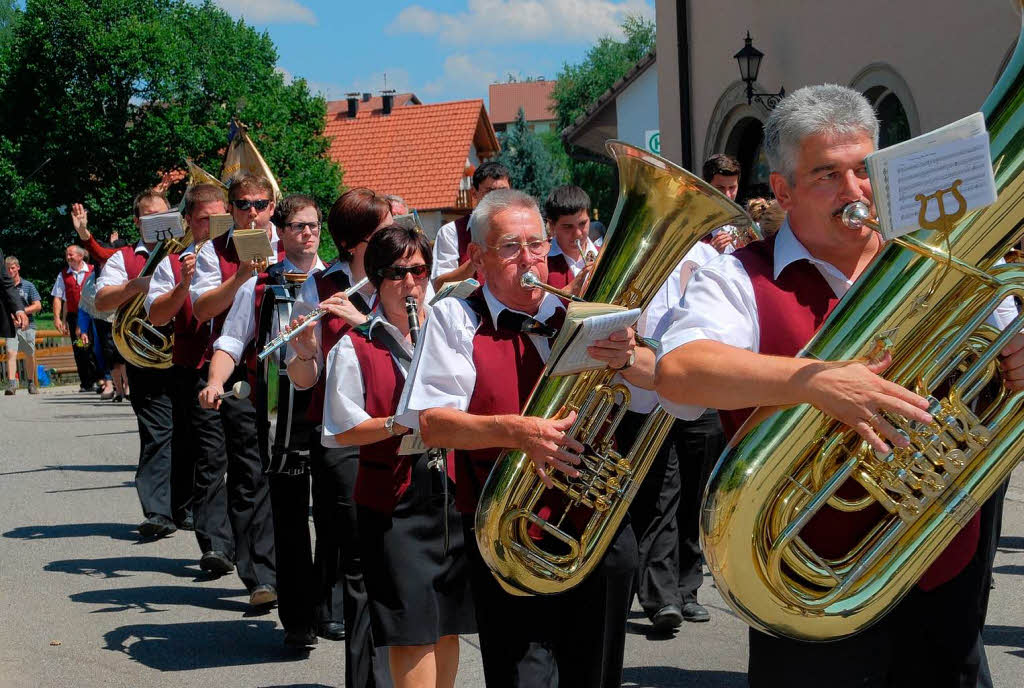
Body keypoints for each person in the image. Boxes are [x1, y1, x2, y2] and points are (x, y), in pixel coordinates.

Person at [654, 83, 1024, 686]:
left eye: (863, 171)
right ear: (781, 190)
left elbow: (1007, 347)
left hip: (941, 572)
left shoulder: (940, 257)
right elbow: (681, 369)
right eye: (826, 175)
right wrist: (816, 381)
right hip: (810, 590)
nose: (854, 193)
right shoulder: (738, 277)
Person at [399, 189, 651, 688]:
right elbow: (431, 423)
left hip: (596, 531)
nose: (530, 260)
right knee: (525, 678)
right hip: (510, 536)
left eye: (537, 245)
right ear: (478, 258)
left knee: (596, 675)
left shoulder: (578, 314)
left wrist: (628, 357)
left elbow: (652, 397)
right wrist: (519, 431)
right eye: (511, 248)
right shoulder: (456, 317)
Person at [321, 226, 473, 688]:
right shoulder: (355, 346)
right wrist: (398, 423)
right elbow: (341, 430)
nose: (410, 284)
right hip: (394, 506)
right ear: (375, 279)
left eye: (419, 271)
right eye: (396, 273)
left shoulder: (451, 330)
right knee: (410, 632)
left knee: (448, 625)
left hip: (449, 494)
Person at [286, 187, 393, 686]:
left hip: (403, 432)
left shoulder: (408, 279)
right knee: (359, 562)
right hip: (345, 439)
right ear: (353, 244)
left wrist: (367, 322)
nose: (394, 242)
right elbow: (304, 381)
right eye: (381, 234)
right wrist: (305, 349)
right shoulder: (320, 286)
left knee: (400, 560)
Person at [190, 175, 281, 610]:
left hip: (292, 377)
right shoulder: (214, 250)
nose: (252, 212)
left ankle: (295, 573)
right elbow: (203, 309)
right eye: (243, 205)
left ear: (272, 206)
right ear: (232, 207)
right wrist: (242, 276)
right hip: (240, 376)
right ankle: (261, 574)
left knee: (289, 474)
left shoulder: (294, 242)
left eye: (260, 204)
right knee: (249, 473)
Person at [146, 182, 234, 576]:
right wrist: (185, 283)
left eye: (221, 219)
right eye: (204, 221)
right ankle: (215, 544)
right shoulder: (171, 262)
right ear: (188, 222)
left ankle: (243, 542)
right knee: (210, 456)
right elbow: (158, 316)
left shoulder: (241, 256)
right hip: (196, 369)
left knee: (247, 459)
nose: (214, 228)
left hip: (242, 367)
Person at [93, 190, 186, 538]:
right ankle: (158, 511)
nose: (159, 224)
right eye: (150, 217)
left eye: (165, 216)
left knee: (190, 430)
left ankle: (185, 506)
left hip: (185, 353)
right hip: (145, 356)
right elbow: (102, 301)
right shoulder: (124, 258)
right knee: (157, 433)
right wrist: (135, 285)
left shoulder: (188, 253)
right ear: (138, 222)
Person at [71, 203, 127, 400]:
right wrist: (82, 328)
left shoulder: (126, 258)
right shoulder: (93, 280)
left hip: (126, 317)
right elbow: (84, 307)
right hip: (102, 321)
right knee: (107, 354)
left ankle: (126, 388)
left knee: (124, 355)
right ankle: (116, 388)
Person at [430, 161, 510, 290]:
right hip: (469, 309)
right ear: (474, 193)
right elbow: (439, 285)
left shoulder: (521, 228)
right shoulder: (451, 232)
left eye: (503, 191)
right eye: (489, 192)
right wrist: (476, 259)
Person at [51, 244, 97, 392]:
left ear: (80, 256)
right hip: (75, 317)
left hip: (94, 315)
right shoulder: (63, 274)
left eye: (71, 254)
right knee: (80, 348)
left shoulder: (93, 270)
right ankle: (86, 383)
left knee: (95, 347)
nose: (68, 257)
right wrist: (58, 318)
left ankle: (101, 379)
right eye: (67, 255)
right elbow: (58, 298)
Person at [542, 185, 599, 295]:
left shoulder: (603, 254)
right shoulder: (541, 262)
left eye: (582, 223)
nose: (577, 233)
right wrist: (570, 290)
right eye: (568, 226)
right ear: (552, 226)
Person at [4, 256, 41, 394]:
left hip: (28, 325)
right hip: (10, 326)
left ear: (18, 268)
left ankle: (31, 382)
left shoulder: (28, 285)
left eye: (12, 268)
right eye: (7, 269)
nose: (10, 271)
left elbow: (37, 305)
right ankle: (12, 384)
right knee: (10, 352)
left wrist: (20, 311)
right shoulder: (4, 289)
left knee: (29, 354)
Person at [703, 153, 743, 254]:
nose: (727, 195)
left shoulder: (744, 221)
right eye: (720, 188)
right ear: (705, 187)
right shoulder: (692, 224)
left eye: (732, 187)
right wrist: (708, 252)